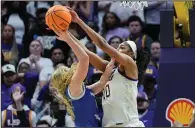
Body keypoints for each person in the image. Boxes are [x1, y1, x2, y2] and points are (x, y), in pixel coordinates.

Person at [66, 7, 145, 127]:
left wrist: (79, 21)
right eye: (118, 47)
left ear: (131, 54)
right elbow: (85, 52)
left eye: (122, 47)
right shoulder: (110, 69)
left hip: (128, 124)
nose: (117, 49)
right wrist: (65, 34)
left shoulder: (130, 65)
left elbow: (102, 44)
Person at [49, 31, 114, 127]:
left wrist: (112, 62)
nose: (71, 68)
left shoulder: (79, 90)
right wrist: (68, 39)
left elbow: (101, 83)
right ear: (66, 77)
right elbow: (84, 58)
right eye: (68, 69)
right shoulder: (73, 86)